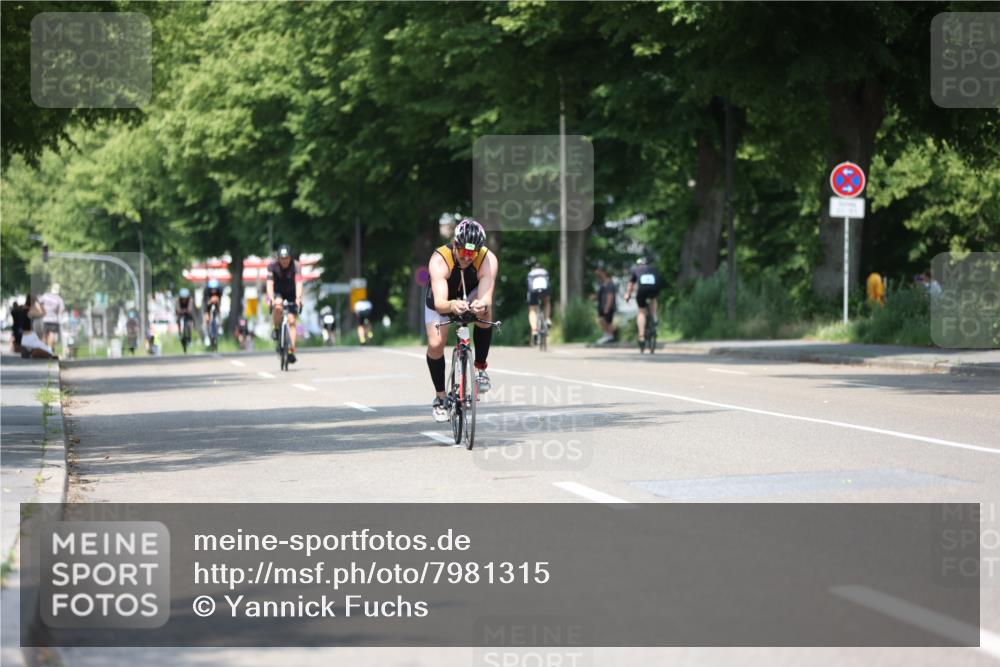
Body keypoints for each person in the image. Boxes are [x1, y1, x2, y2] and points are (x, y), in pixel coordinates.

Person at [425, 218, 498, 422]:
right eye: (463, 252)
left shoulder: (488, 260)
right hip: (443, 297)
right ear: (455, 244)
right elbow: (440, 302)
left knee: (485, 313)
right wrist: (451, 305)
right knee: (436, 343)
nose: (467, 258)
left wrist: (481, 305)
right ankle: (441, 398)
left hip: (471, 292)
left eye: (472, 253)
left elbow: (486, 297)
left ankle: (480, 368)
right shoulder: (440, 259)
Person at [267, 244, 303, 364]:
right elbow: (269, 284)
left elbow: (298, 283)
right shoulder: (272, 266)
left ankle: (291, 350)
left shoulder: (296, 266)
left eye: (287, 258)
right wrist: (271, 298)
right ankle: (276, 328)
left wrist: (298, 298)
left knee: (292, 321)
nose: (284, 261)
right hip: (278, 292)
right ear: (278, 258)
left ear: (290, 257)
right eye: (282, 258)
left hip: (292, 293)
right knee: (278, 305)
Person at [623, 257, 661, 352]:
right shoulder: (653, 268)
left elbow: (631, 284)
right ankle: (655, 316)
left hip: (642, 290)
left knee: (641, 311)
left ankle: (641, 336)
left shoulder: (636, 269)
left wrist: (628, 295)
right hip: (654, 289)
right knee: (653, 299)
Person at [526, 260, 551, 346]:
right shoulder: (545, 272)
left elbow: (529, 287)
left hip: (533, 291)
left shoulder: (531, 273)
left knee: (532, 309)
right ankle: (547, 319)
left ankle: (534, 330)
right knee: (547, 302)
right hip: (544, 290)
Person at [38, 283, 65, 352]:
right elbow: (61, 310)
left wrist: (42, 310)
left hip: (45, 319)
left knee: (44, 334)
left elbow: (38, 302)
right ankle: (49, 349)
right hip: (54, 320)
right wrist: (58, 315)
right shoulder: (59, 299)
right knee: (52, 334)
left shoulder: (45, 296)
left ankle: (43, 349)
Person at [595, 268, 617, 344]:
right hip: (601, 306)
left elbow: (610, 296)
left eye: (598, 272)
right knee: (601, 320)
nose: (597, 274)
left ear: (603, 272)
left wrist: (607, 307)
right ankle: (607, 335)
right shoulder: (602, 283)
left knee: (608, 322)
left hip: (608, 306)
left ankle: (610, 336)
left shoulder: (609, 283)